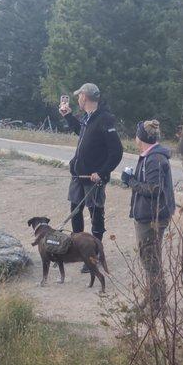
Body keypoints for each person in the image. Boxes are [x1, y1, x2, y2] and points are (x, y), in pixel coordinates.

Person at [59, 83, 123, 273]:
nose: (77, 99)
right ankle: (79, 250)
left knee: (96, 214)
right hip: (78, 175)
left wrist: (102, 172)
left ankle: (93, 255)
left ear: (84, 97)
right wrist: (69, 117)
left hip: (94, 179)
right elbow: (83, 134)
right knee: (75, 211)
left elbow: (116, 151)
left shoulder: (104, 119)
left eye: (79, 96)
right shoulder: (88, 118)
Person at [121, 120, 175, 315]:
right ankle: (152, 297)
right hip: (150, 215)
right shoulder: (151, 156)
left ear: (141, 138)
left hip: (152, 218)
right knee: (150, 259)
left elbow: (154, 189)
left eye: (136, 134)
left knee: (150, 260)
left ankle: (157, 306)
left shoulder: (153, 159)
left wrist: (131, 181)